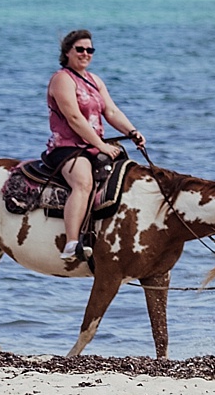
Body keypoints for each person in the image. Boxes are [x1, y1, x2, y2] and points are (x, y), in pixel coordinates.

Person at [44, 29, 145, 264]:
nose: (85, 54)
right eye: (80, 49)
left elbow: (111, 111)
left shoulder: (94, 80)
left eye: (90, 50)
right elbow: (74, 118)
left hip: (93, 146)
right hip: (67, 147)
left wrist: (132, 131)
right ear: (67, 52)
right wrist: (100, 145)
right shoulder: (62, 79)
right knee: (83, 182)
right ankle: (71, 243)